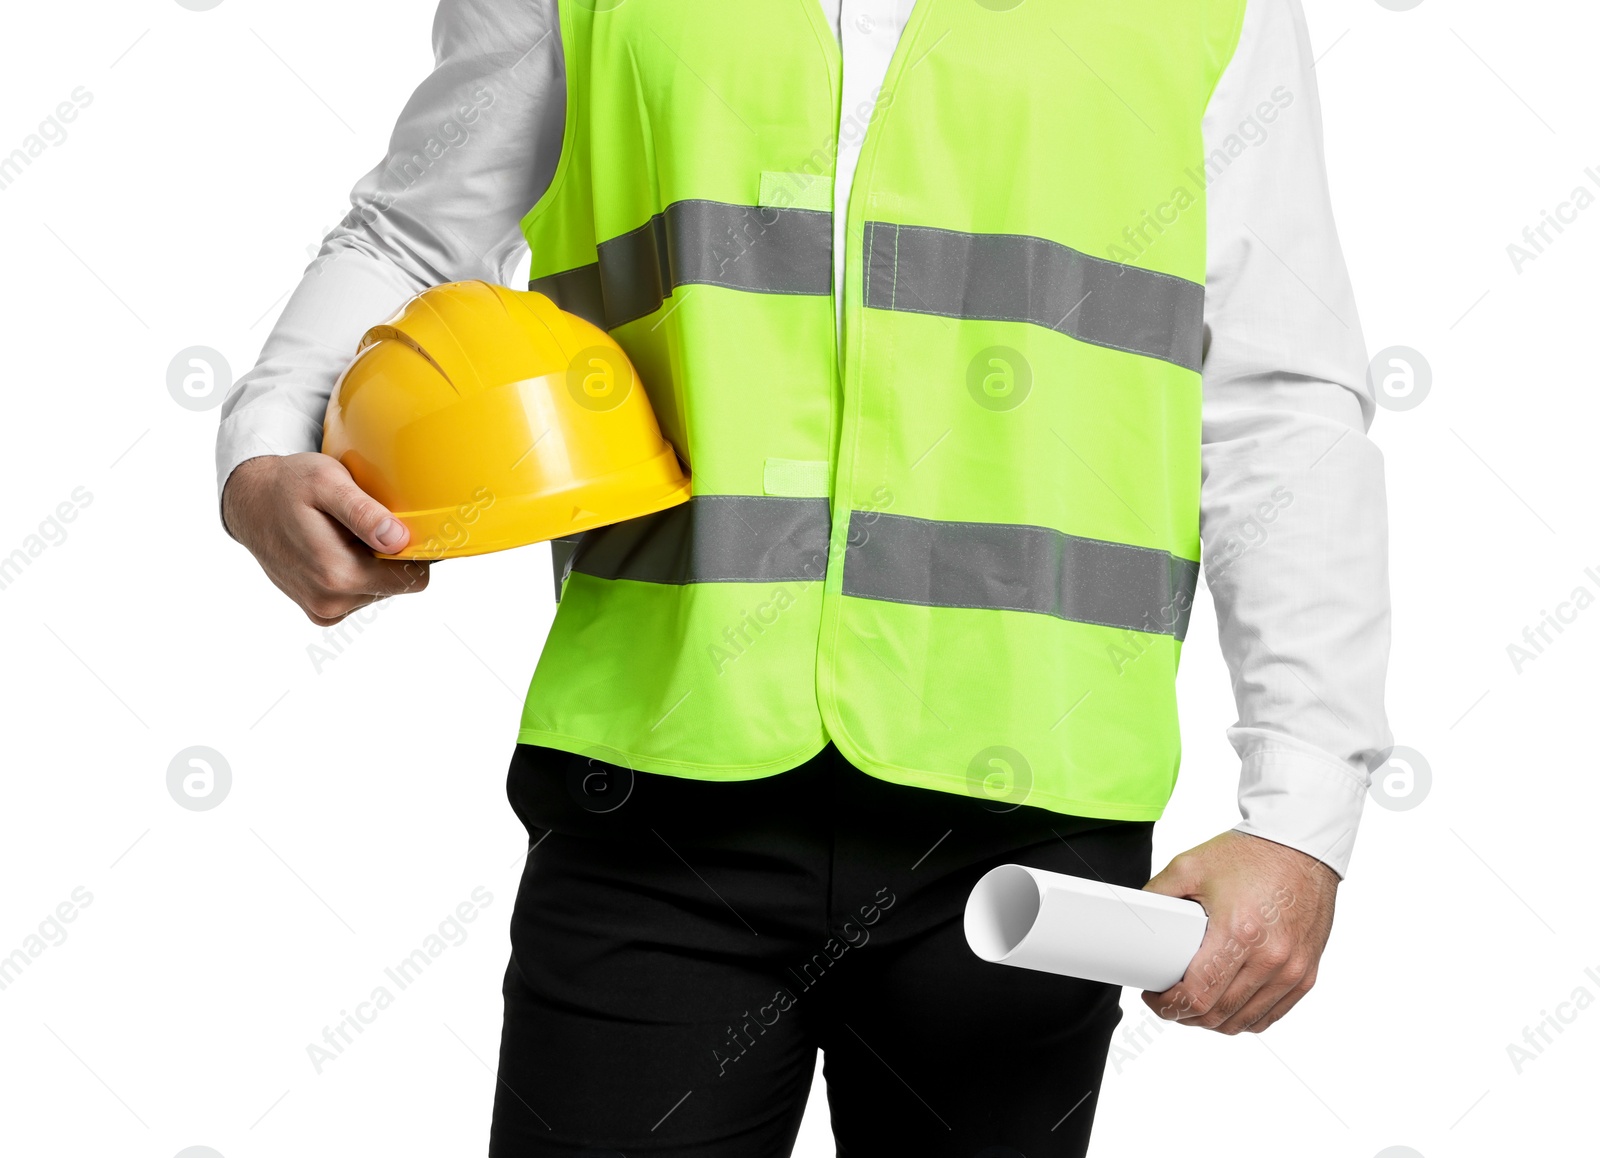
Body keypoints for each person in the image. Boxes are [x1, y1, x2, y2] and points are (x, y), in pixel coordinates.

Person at [217, 1, 1391, 1154]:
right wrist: (267, 448)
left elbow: (1277, 397)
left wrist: (1299, 815)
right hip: (653, 787)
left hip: (1029, 815)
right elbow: (415, 236)